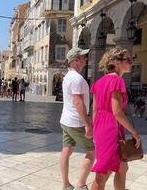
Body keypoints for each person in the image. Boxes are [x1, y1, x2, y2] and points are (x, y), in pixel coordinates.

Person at [90, 47, 141, 190]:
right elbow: (117, 112)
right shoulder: (117, 81)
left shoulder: (98, 83)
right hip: (111, 129)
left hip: (102, 128)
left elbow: (94, 110)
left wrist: (95, 132)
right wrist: (134, 133)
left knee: (122, 168)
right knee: (102, 175)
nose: (131, 63)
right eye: (128, 60)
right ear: (116, 63)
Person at [60, 47, 94, 190]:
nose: (85, 59)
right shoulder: (77, 79)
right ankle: (80, 185)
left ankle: (66, 184)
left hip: (66, 120)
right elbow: (78, 102)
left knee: (67, 149)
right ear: (76, 60)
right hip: (76, 122)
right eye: (83, 56)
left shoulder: (68, 76)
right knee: (93, 151)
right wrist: (87, 123)